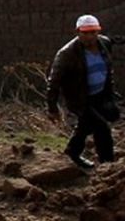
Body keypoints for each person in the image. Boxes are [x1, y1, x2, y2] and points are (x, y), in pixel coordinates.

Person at [47, 14, 118, 170]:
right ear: (77, 32)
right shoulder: (66, 53)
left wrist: (110, 94)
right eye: (85, 33)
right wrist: (52, 108)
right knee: (102, 128)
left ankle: (72, 152)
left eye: (93, 32)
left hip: (99, 94)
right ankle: (109, 166)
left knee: (86, 126)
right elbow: (54, 82)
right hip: (79, 98)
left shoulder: (104, 44)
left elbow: (108, 70)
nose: (89, 37)